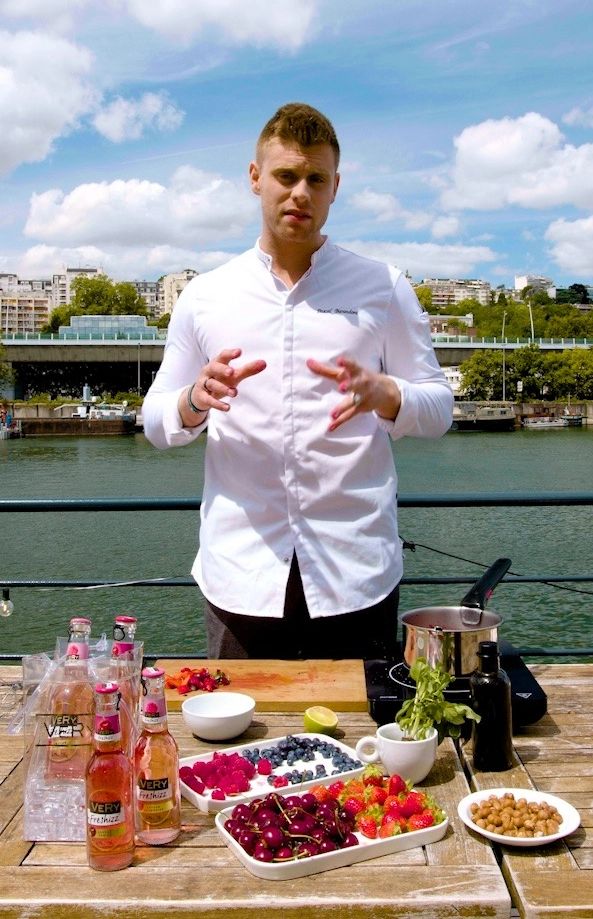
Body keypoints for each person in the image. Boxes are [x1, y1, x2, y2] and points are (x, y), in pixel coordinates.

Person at [143, 103, 453, 660]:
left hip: (356, 575)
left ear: (337, 186)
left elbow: (440, 407)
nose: (300, 193)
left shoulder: (384, 287)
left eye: (316, 178)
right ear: (256, 177)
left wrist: (388, 394)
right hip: (240, 577)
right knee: (239, 743)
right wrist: (194, 400)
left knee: (363, 745)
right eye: (286, 176)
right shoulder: (204, 295)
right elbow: (155, 419)